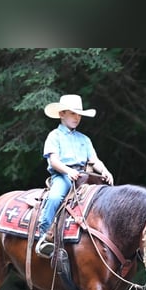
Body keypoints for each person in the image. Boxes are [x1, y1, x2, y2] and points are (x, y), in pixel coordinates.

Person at [35, 94, 114, 258]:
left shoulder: (84, 139)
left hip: (85, 176)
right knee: (56, 197)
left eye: (78, 114)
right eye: (72, 113)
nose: (77, 118)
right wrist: (68, 171)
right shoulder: (54, 136)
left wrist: (105, 171)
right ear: (62, 114)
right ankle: (45, 233)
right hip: (63, 175)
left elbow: (95, 160)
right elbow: (54, 160)